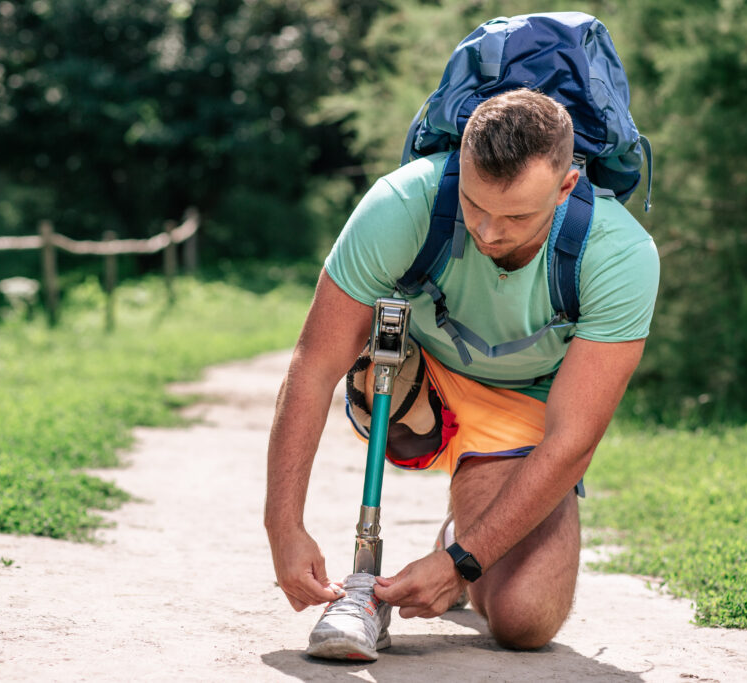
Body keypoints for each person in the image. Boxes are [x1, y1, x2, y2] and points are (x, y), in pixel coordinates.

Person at [264, 88, 659, 660]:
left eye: (518, 215)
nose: (490, 232)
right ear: (458, 171)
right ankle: (368, 580)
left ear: (567, 186)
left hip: (529, 404)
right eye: (475, 205)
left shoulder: (620, 254)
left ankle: (454, 533)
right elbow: (315, 362)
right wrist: (283, 525)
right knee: (371, 351)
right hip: (422, 380)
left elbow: (572, 440)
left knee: (526, 620)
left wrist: (460, 562)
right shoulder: (404, 203)